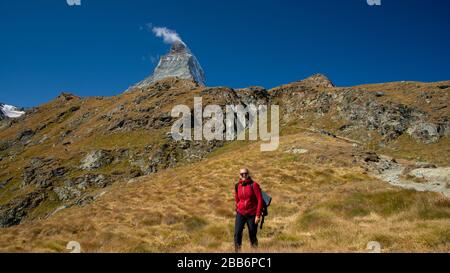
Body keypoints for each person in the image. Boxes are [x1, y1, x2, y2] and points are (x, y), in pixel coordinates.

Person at [234, 168, 264, 252]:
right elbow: (237, 199)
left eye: (245, 173)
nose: (244, 175)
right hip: (241, 213)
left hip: (252, 213)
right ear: (239, 175)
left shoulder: (254, 185)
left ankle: (254, 251)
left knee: (252, 234)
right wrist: (238, 208)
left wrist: (258, 215)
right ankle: (237, 251)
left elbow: (260, 200)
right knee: (237, 233)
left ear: (248, 174)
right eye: (242, 174)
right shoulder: (237, 185)